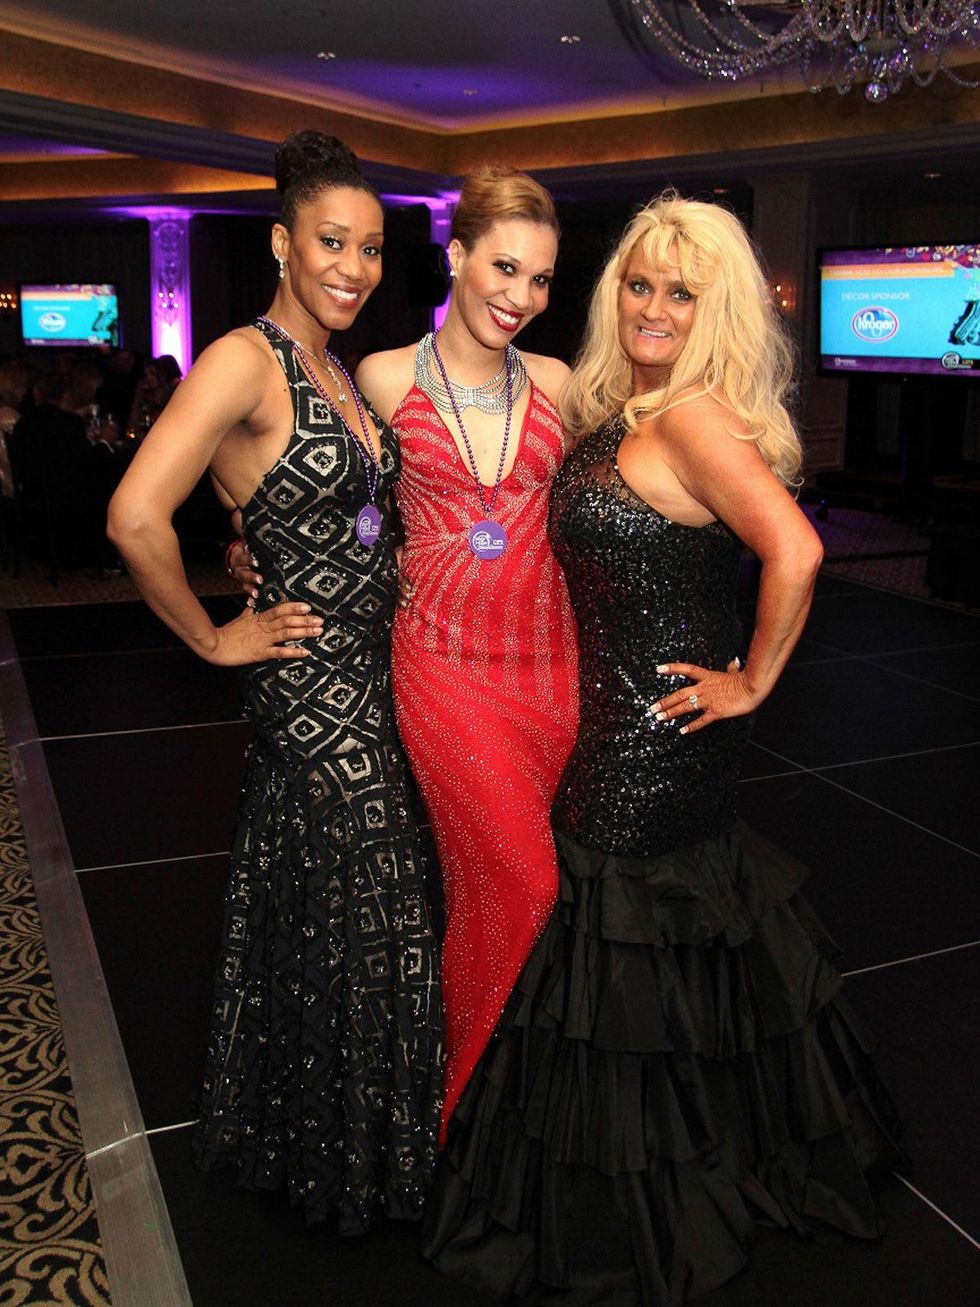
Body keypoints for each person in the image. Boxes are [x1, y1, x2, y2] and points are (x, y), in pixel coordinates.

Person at [421, 193, 904, 1303]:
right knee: (654, 951)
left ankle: (640, 1202)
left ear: (713, 308)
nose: (651, 307)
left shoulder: (692, 419)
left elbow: (793, 550)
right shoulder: (622, 407)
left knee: (618, 950)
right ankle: (709, 1153)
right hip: (614, 727)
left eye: (678, 293)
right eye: (637, 284)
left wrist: (752, 679)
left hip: (651, 738)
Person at [107, 130, 443, 1236]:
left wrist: (255, 545)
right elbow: (134, 511)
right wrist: (212, 636)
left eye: (372, 247)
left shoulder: (336, 368)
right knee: (384, 909)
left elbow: (325, 512)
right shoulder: (241, 358)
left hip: (372, 666)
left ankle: (302, 1131)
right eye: (331, 242)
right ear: (282, 243)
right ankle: (367, 1159)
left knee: (324, 911)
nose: (353, 264)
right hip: (305, 682)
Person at [355, 167, 579, 1138]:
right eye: (501, 267)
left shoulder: (564, 386)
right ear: (453, 256)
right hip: (441, 665)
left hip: (549, 664)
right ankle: (464, 1103)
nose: (519, 296)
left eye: (537, 280)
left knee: (494, 885)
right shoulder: (382, 375)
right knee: (524, 876)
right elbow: (360, 508)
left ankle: (500, 1090)